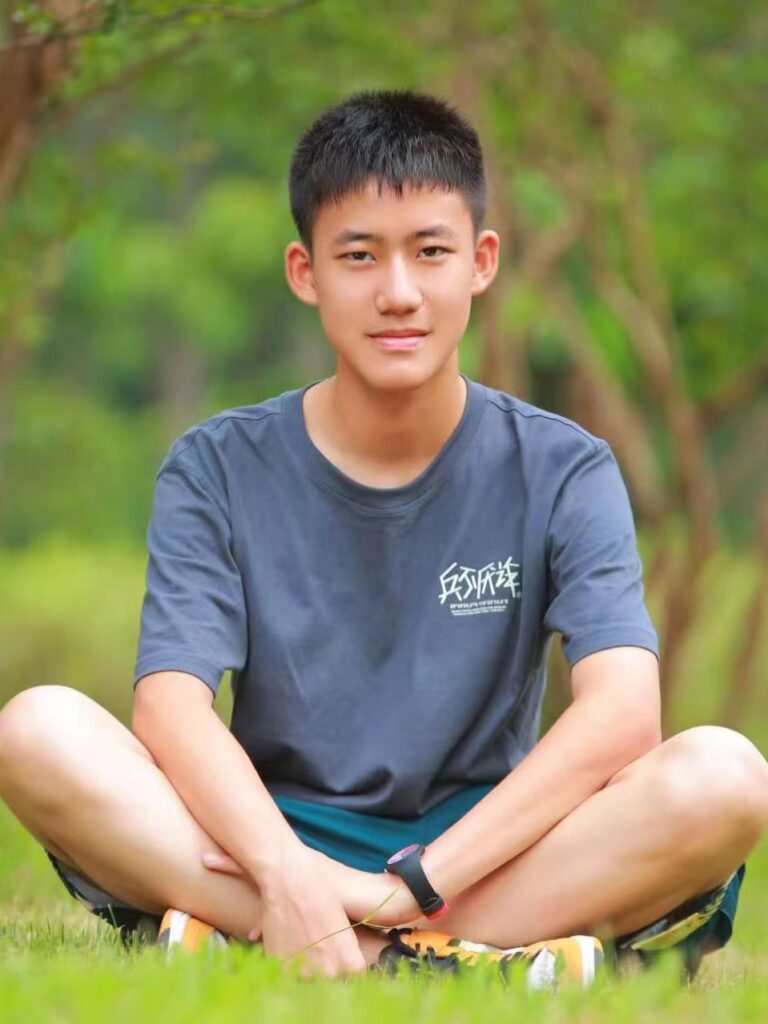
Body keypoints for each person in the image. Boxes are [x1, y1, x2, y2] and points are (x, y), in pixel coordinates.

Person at [0, 89, 765, 987]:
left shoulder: (566, 467)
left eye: (429, 252)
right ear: (305, 271)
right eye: (358, 256)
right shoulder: (215, 465)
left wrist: (416, 886)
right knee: (35, 728)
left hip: (490, 853)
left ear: (480, 262)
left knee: (726, 776)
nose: (397, 293)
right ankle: (455, 959)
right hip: (265, 839)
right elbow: (170, 708)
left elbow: (624, 717)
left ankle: (295, 939)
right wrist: (287, 870)